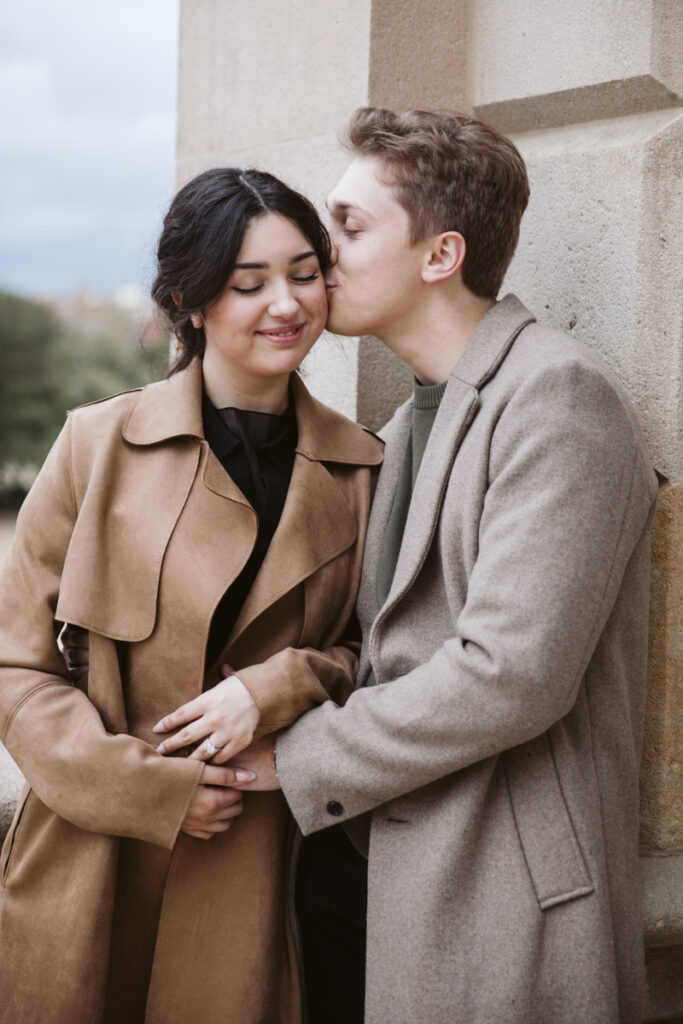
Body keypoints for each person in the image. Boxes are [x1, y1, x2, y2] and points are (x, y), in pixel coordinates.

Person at [223, 108, 659, 1024]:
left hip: (501, 893)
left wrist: (294, 758)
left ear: (439, 256)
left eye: (346, 225)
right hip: (370, 884)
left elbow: (512, 673)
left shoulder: (557, 399)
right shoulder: (401, 426)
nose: (316, 248)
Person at [0, 166, 382, 1023]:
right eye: (248, 284)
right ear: (190, 300)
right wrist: (146, 788)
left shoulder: (364, 471)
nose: (285, 304)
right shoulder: (95, 444)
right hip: (87, 863)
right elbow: (12, 666)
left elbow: (380, 658)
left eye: (303, 273)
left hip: (255, 865)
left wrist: (279, 684)